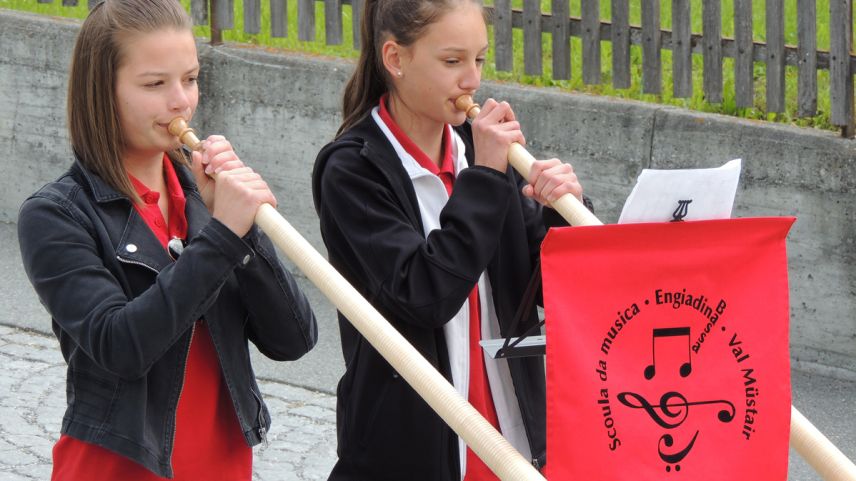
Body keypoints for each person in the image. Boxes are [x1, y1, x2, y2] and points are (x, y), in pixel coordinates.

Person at [17, 0, 318, 479]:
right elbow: (122, 346)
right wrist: (221, 237)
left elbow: (294, 339)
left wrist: (245, 229)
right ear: (103, 92)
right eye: (155, 84)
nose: (181, 101)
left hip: (223, 466)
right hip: (117, 469)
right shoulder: (57, 214)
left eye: (191, 78)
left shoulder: (201, 195)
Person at [311, 0, 592, 479]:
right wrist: (483, 176)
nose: (472, 81)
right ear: (395, 59)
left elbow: (542, 292)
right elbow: (425, 294)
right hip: (410, 451)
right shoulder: (352, 170)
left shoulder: (480, 154)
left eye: (479, 59)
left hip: (508, 439)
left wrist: (557, 216)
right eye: (452, 61)